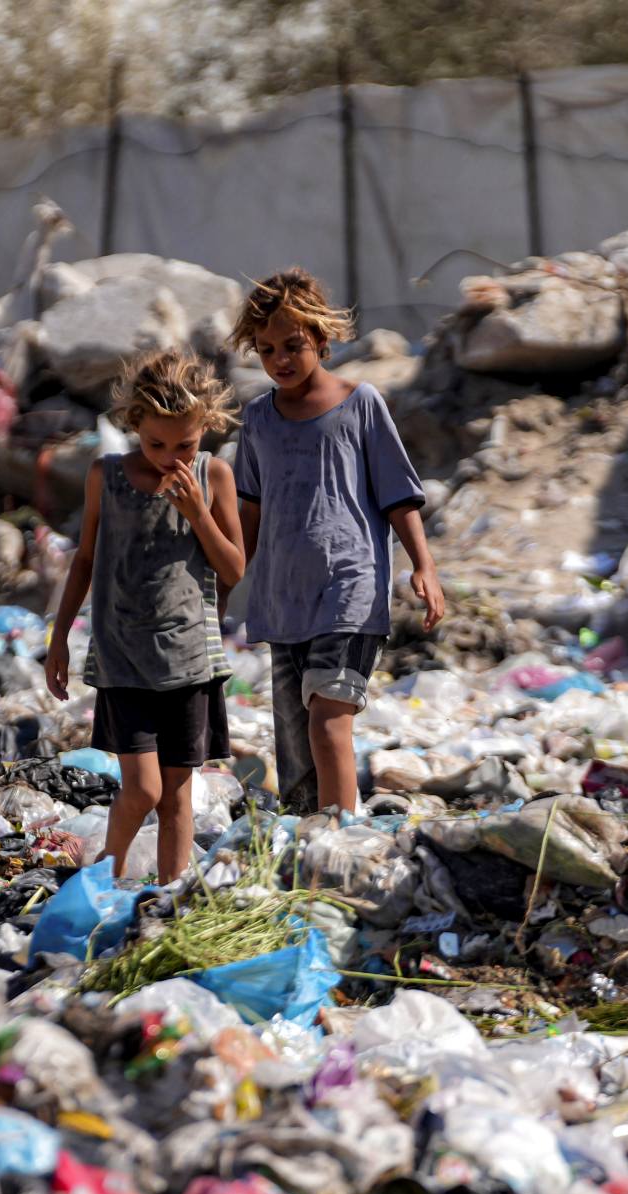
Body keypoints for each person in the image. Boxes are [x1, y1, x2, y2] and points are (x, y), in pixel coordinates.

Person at [232, 268, 445, 813]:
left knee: (329, 722)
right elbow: (249, 509)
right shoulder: (256, 420)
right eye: (267, 349)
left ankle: (344, 838)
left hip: (349, 588)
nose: (280, 359)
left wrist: (423, 566)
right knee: (297, 750)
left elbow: (398, 495)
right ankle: (311, 852)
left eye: (293, 345)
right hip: (284, 600)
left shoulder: (361, 403)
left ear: (322, 341)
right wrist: (225, 581)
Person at [45, 350, 245, 880]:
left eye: (186, 443)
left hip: (189, 662)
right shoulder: (105, 477)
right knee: (143, 788)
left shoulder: (214, 476)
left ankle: (167, 898)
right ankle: (104, 879)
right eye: (156, 444)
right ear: (134, 423)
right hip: (122, 657)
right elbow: (85, 559)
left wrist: (199, 513)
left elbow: (234, 568)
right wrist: (60, 637)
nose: (170, 456)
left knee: (177, 795)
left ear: (206, 428)